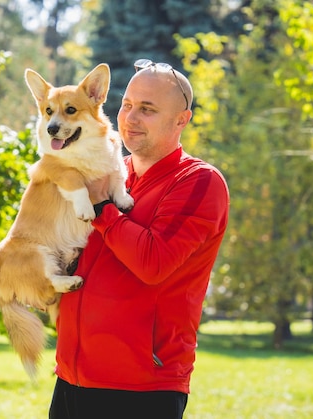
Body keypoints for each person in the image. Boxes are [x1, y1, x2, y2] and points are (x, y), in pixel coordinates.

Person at [48, 59, 230, 419]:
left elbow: (153, 263)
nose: (130, 118)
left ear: (182, 119)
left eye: (147, 109)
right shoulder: (112, 172)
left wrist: (101, 205)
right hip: (71, 377)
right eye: (127, 105)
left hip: (141, 389)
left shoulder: (199, 182)